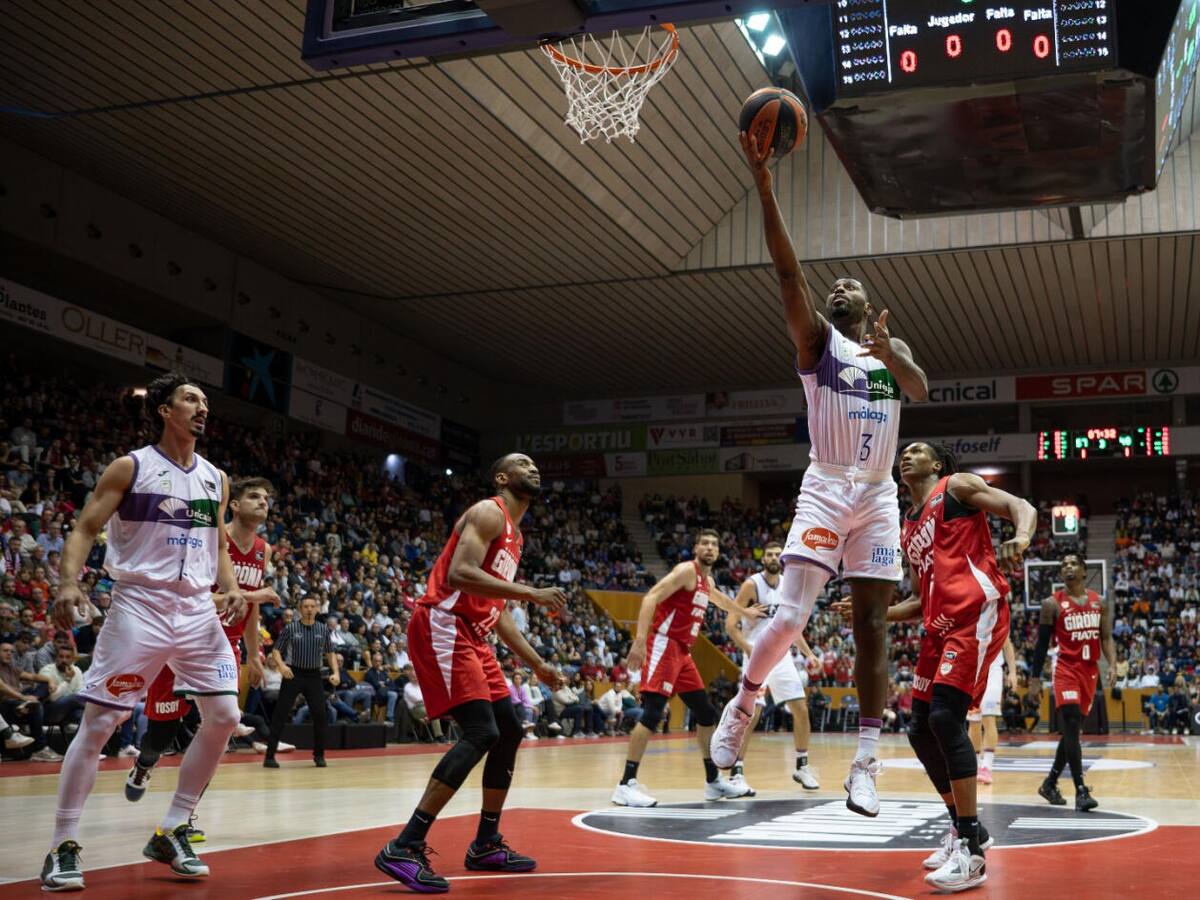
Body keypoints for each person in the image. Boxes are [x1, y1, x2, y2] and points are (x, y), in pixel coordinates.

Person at [711, 129, 929, 820]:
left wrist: (894, 353)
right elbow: (788, 275)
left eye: (851, 283)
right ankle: (744, 702)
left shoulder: (889, 353)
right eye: (833, 283)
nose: (839, 284)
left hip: (879, 495)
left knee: (872, 627)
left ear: (868, 304)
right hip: (827, 485)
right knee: (791, 615)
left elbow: (921, 389)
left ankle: (865, 764)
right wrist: (765, 189)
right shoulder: (818, 342)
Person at [42, 372, 247, 891]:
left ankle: (173, 827)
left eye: (205, 401)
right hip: (141, 605)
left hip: (197, 609)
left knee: (226, 715)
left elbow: (220, 544)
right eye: (191, 399)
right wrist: (68, 583)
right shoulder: (131, 467)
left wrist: (230, 586)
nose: (202, 407)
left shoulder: (217, 478)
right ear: (164, 410)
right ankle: (62, 845)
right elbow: (85, 528)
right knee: (101, 722)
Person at [836, 441, 1034, 892]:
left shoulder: (956, 488)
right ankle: (962, 827)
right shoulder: (907, 526)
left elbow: (1020, 506)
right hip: (938, 626)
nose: (905, 456)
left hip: (975, 614)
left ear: (937, 463)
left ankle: (972, 851)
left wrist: (1021, 538)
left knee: (946, 717)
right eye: (903, 453)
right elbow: (917, 600)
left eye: (917, 451)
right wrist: (873, 613)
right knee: (920, 728)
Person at [374, 453, 567, 893]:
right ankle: (404, 845)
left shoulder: (515, 536)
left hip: (474, 635)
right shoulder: (488, 512)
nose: (533, 468)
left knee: (509, 730)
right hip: (444, 622)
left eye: (536, 464)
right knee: (481, 732)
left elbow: (498, 611)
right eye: (522, 463)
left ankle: (485, 843)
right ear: (502, 477)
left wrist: (536, 663)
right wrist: (531, 592)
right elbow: (461, 574)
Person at [124, 476, 277, 839]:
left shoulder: (263, 549)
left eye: (266, 498)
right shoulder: (208, 539)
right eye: (254, 496)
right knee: (163, 732)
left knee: (219, 727)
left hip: (223, 645)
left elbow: (250, 608)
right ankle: (145, 762)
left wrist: (254, 654)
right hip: (182, 636)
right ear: (234, 504)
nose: (263, 502)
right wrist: (252, 597)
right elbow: (189, 597)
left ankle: (185, 813)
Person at [612, 529, 765, 808]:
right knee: (653, 713)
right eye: (704, 543)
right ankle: (625, 784)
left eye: (714, 544)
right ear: (696, 548)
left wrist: (745, 612)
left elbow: (719, 599)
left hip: (683, 652)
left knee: (706, 714)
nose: (709, 548)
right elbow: (650, 598)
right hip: (664, 644)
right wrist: (640, 641)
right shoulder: (686, 571)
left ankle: (713, 781)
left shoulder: (707, 581)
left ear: (718, 551)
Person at [725, 541, 821, 794]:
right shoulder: (752, 585)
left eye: (778, 554)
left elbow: (792, 627)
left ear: (784, 558)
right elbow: (730, 623)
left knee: (801, 709)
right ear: (763, 559)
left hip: (782, 656)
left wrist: (809, 654)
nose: (774, 558)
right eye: (769, 554)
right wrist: (747, 648)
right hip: (757, 653)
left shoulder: (789, 586)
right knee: (750, 714)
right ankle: (736, 773)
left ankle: (802, 765)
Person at [1029, 553, 1115, 812]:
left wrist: (1112, 664)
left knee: (1072, 732)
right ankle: (1080, 789)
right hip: (1065, 669)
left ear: (1084, 570)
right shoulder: (1051, 604)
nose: (1068, 567)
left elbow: (1106, 637)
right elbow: (1041, 645)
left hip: (1089, 672)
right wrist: (1034, 679)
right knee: (1072, 722)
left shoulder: (1099, 602)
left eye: (1073, 564)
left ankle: (1050, 783)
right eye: (1064, 565)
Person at [263, 595, 340, 767]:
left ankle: (319, 755)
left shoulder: (323, 629)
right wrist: (282, 666)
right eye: (306, 606)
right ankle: (269, 756)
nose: (309, 609)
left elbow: (330, 653)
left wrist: (336, 672)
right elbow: (276, 650)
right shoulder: (291, 628)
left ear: (317, 609)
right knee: (280, 714)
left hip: (314, 676)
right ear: (300, 609)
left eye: (312, 606)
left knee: (320, 715)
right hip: (293, 674)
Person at [967, 638, 1017, 785]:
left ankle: (987, 767)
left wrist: (1013, 672)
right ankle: (976, 765)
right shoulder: (968, 622)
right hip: (972, 671)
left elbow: (1007, 644)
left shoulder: (999, 621)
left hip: (993, 671)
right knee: (974, 722)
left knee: (989, 719)